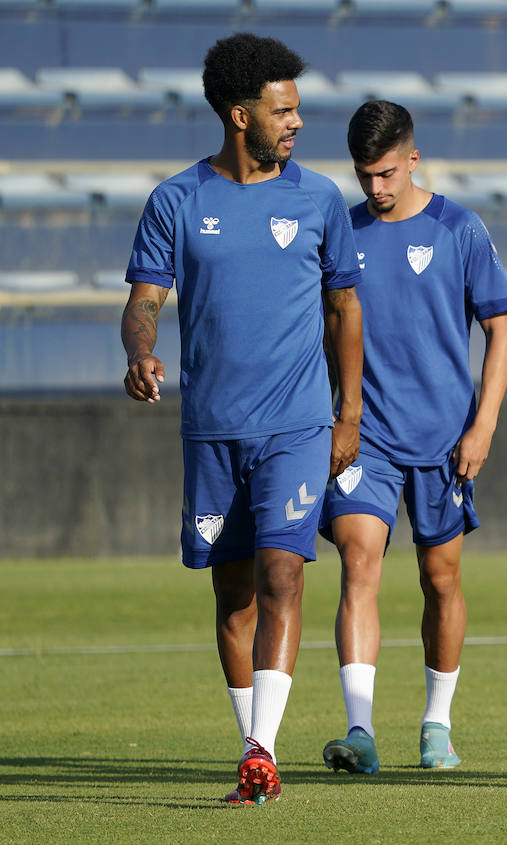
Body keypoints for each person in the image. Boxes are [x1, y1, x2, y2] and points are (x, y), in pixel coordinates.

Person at [120, 33, 364, 805]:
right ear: (238, 115)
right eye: (281, 110)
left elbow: (344, 308)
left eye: (296, 108)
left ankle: (261, 751)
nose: (295, 122)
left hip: (296, 423)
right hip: (212, 430)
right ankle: (251, 743)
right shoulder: (177, 201)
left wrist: (348, 413)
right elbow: (144, 301)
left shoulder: (320, 198)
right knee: (232, 596)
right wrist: (141, 351)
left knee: (283, 571)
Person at [316, 100, 507, 775]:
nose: (375, 188)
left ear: (413, 157)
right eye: (364, 175)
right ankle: (360, 729)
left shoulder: (459, 228)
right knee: (359, 562)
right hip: (364, 438)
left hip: (442, 440)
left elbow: (501, 328)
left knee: (441, 578)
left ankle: (437, 722)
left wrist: (482, 424)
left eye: (386, 172)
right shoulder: (341, 235)